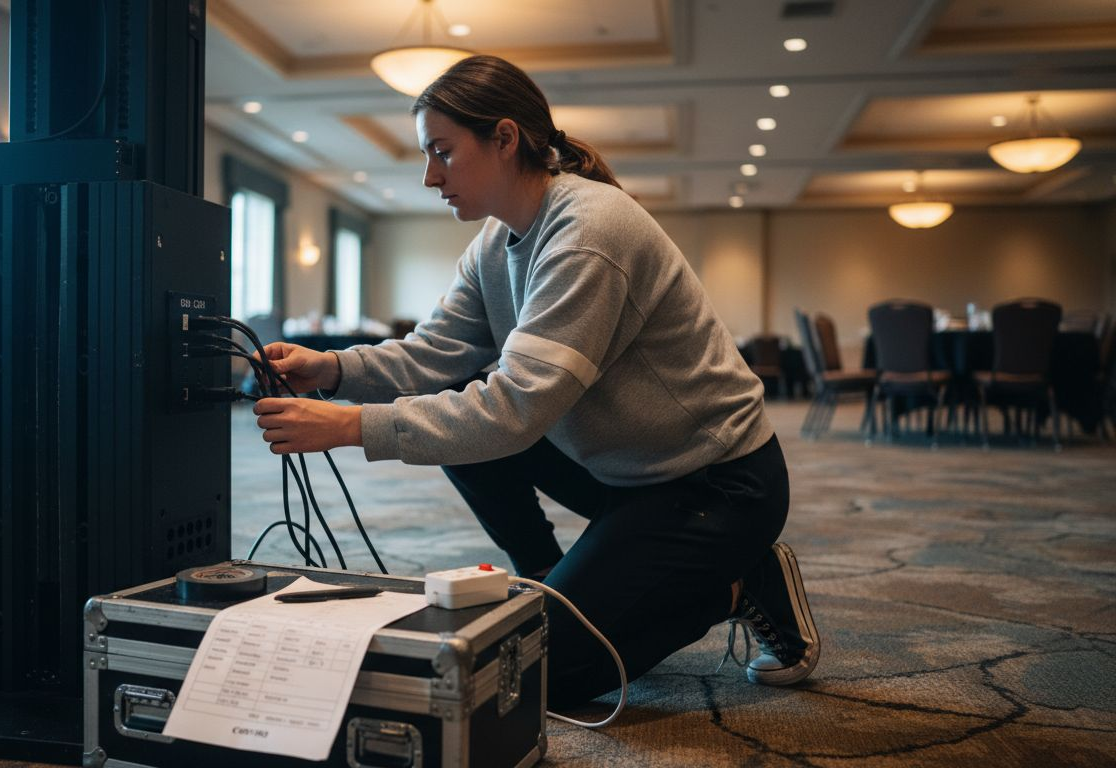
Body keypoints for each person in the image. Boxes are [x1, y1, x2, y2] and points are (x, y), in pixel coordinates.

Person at [251, 55, 819, 709]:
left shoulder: (588, 234)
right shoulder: (498, 242)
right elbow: (435, 354)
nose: (430, 176)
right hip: (624, 473)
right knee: (456, 398)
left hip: (716, 485)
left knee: (545, 675)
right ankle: (549, 578)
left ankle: (738, 584)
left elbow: (515, 410)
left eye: (442, 152)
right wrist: (332, 368)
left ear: (504, 138)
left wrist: (350, 426)